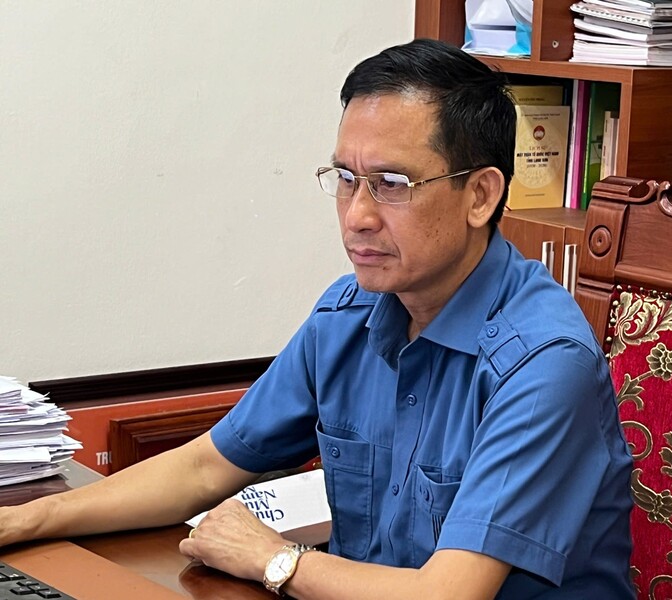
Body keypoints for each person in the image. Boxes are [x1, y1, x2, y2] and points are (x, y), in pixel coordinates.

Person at [0, 39, 634, 599]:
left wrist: (276, 560)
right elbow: (204, 468)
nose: (357, 216)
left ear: (481, 195)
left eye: (391, 183)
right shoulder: (346, 317)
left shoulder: (543, 363)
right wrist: (26, 521)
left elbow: (447, 594)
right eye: (346, 179)